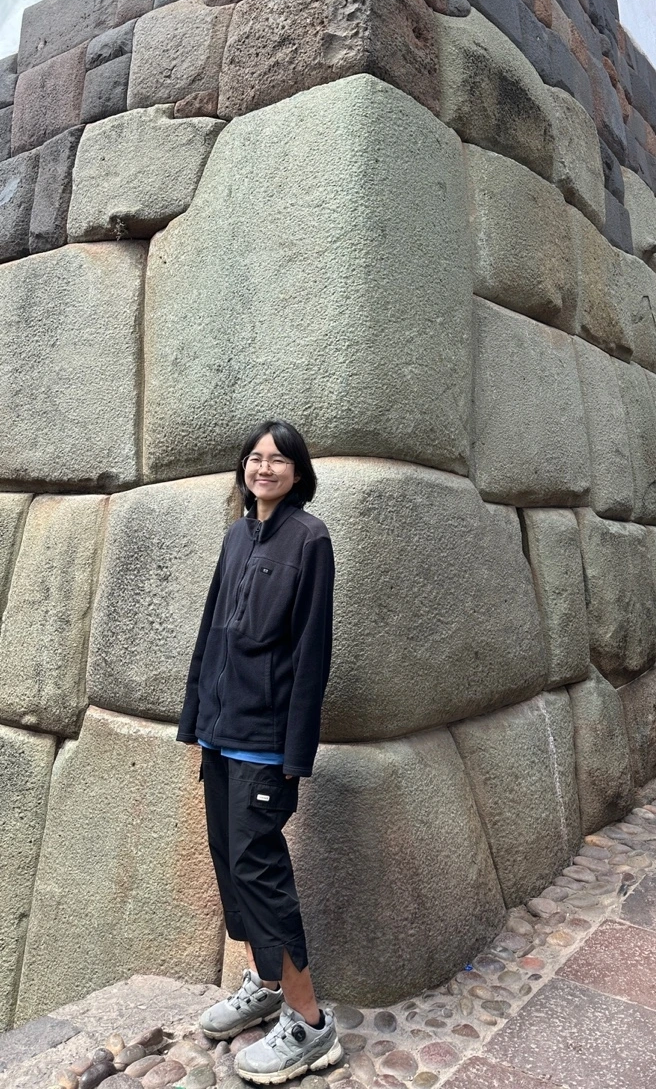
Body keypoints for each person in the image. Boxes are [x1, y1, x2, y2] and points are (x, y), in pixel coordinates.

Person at [176, 419, 341, 1085]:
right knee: (231, 864)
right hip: (221, 731)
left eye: (277, 459)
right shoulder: (235, 537)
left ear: (297, 473)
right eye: (254, 457)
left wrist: (295, 755)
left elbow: (312, 652)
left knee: (260, 871)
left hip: (265, 742)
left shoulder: (310, 539)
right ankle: (266, 983)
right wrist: (195, 718)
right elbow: (212, 633)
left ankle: (310, 1024)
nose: (263, 467)